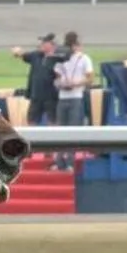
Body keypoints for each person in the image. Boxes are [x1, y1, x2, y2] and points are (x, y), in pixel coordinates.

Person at [52, 30, 94, 170]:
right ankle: (59, 161)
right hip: (63, 96)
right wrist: (61, 84)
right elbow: (57, 76)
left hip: (76, 96)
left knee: (72, 130)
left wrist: (75, 83)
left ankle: (69, 161)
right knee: (60, 130)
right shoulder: (61, 58)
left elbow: (89, 78)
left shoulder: (84, 58)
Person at [10, 34, 62, 126]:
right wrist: (17, 52)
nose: (41, 45)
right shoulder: (36, 55)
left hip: (51, 97)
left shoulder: (58, 58)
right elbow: (22, 54)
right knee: (32, 121)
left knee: (53, 122)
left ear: (51, 45)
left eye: (44, 43)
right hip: (36, 96)